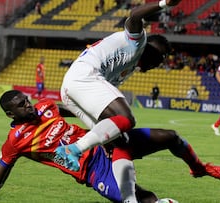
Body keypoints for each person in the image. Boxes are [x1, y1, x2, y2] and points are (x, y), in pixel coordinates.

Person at [0, 90, 220, 203]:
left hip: (105, 143)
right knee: (143, 199)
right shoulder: (15, 142)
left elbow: (80, 110)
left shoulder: (45, 106)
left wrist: (107, 128)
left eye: (26, 100)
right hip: (92, 170)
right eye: (21, 105)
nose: (28, 105)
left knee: (170, 136)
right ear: (11, 114)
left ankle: (198, 168)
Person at [56, 0, 182, 201]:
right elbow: (135, 15)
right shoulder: (137, 42)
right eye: (161, 59)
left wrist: (56, 110)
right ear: (155, 51)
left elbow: (95, 106)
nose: (159, 65)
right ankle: (73, 150)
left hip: (71, 89)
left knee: (117, 141)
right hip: (85, 75)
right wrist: (164, 3)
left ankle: (134, 198)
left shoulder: (126, 69)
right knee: (126, 118)